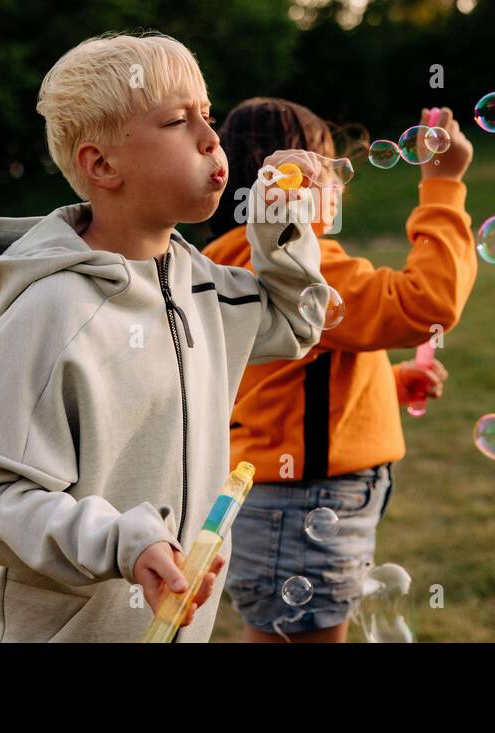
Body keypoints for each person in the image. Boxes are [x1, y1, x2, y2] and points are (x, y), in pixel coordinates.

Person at [0, 33, 326, 641]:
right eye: (179, 121)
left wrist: (281, 224)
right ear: (102, 165)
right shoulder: (51, 311)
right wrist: (123, 540)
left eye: (209, 114)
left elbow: (295, 322)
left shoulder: (204, 288)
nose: (211, 137)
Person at [202, 98, 478, 641]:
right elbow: (427, 304)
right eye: (326, 164)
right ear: (287, 178)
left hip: (283, 502)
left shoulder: (229, 255)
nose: (338, 181)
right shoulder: (300, 264)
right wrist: (443, 184)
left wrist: (385, 386)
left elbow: (278, 382)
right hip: (305, 505)